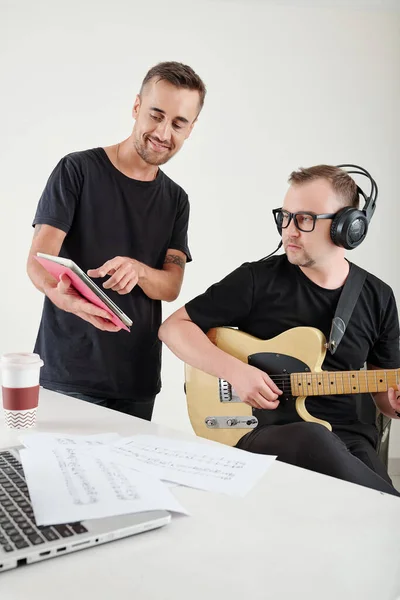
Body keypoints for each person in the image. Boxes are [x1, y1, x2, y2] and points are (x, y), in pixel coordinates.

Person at [159, 164, 400, 496]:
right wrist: (237, 373)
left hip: (346, 434)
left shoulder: (378, 297)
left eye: (304, 219)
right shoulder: (258, 280)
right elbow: (173, 329)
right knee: (314, 439)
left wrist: (393, 402)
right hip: (264, 429)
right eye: (284, 217)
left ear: (348, 227)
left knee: (381, 499)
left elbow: (383, 394)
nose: (289, 231)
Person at [27, 61, 206, 421]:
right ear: (137, 106)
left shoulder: (176, 200)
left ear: (191, 129)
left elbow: (171, 286)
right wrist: (60, 295)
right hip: (68, 372)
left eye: (178, 123)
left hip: (136, 381)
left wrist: (139, 271)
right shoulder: (77, 170)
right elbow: (37, 260)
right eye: (156, 115)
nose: (163, 132)